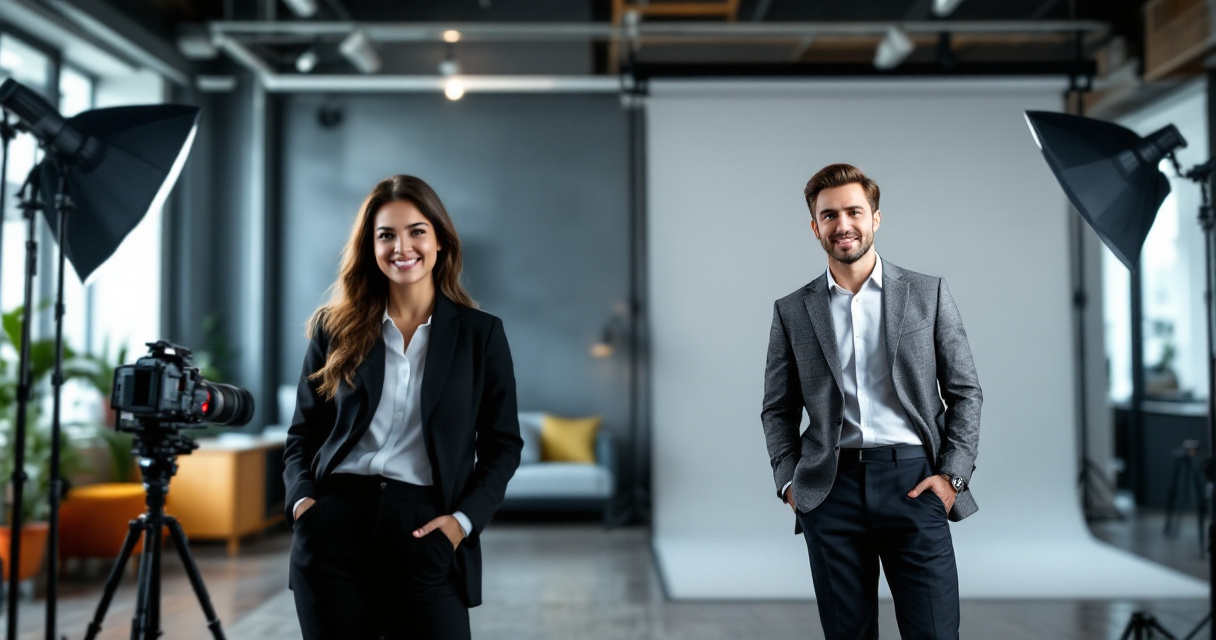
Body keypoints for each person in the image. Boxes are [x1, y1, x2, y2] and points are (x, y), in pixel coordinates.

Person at [283, 174, 522, 640]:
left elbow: (503, 444)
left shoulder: (481, 335)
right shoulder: (335, 329)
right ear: (370, 247)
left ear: (439, 240)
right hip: (333, 527)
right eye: (386, 235)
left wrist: (461, 523)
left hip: (425, 529)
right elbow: (303, 433)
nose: (402, 247)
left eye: (416, 231)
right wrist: (303, 506)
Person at [761, 163, 982, 639]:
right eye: (830, 215)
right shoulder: (793, 311)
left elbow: (965, 391)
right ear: (815, 226)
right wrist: (789, 484)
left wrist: (954, 477)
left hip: (915, 482)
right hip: (830, 490)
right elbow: (777, 408)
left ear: (875, 218)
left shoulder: (928, 293)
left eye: (854, 211)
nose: (844, 225)